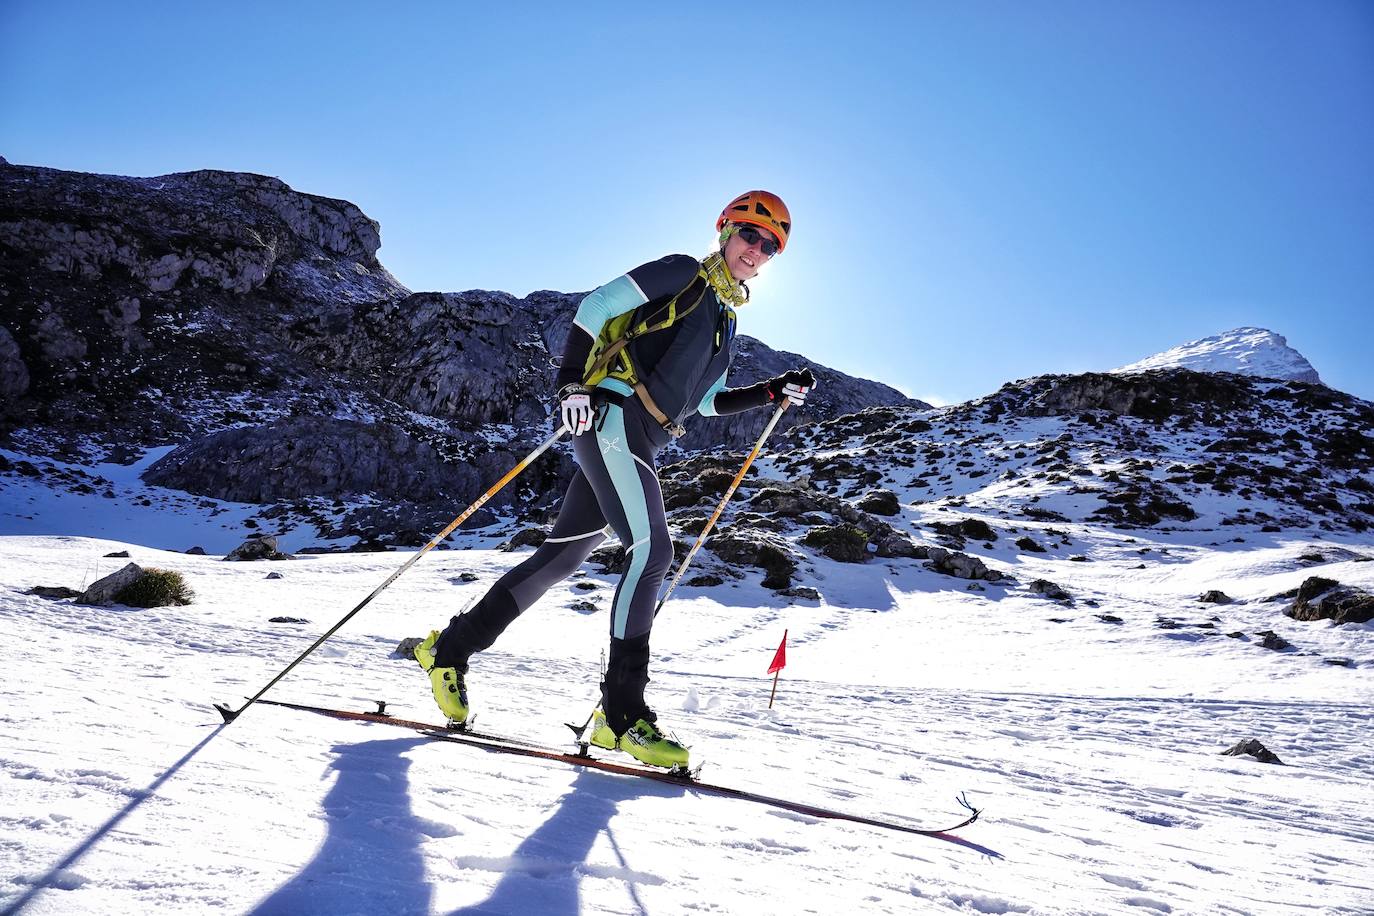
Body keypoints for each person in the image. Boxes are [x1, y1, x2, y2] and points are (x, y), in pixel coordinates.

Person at [415, 191, 815, 768]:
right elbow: (595, 308)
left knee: (559, 560)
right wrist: (571, 384)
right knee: (652, 551)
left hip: (644, 437)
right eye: (750, 235)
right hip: (613, 416)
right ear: (725, 229)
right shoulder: (684, 274)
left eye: (770, 246)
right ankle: (622, 715)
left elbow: (704, 404)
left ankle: (447, 651)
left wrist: (771, 391)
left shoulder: (726, 321)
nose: (757, 250)